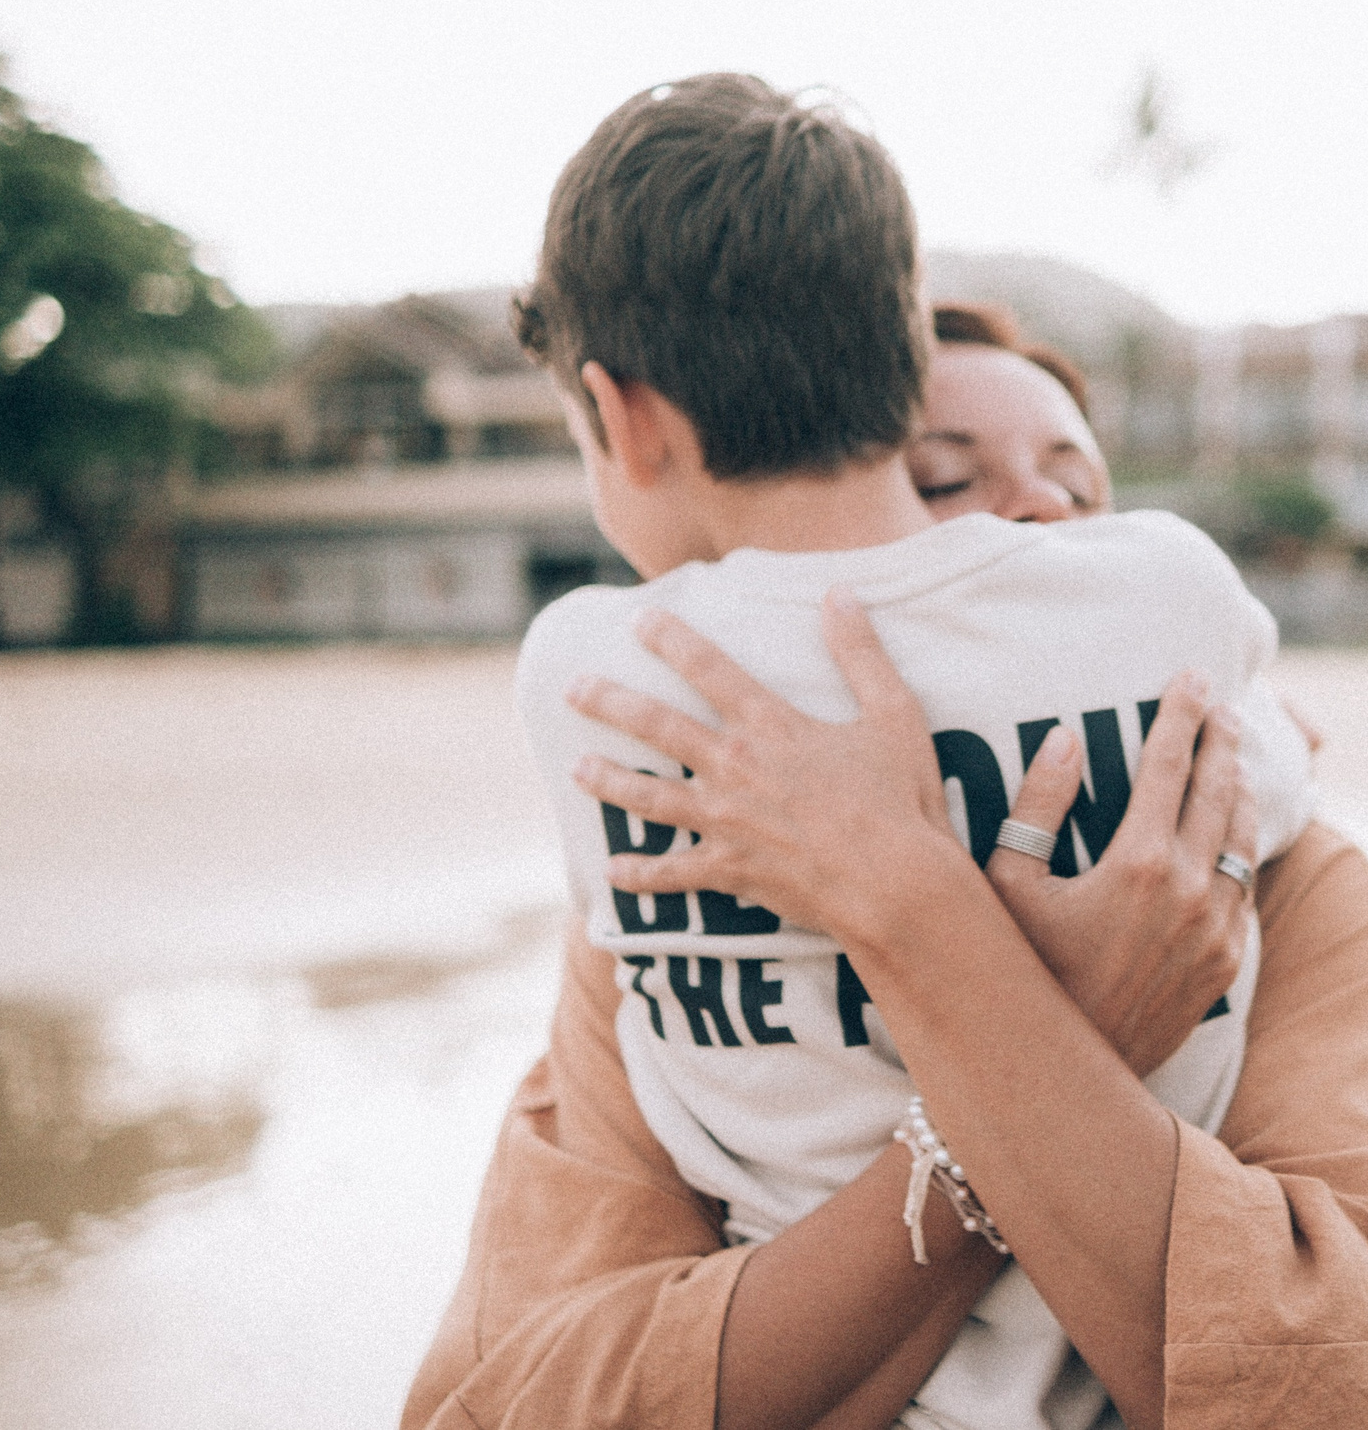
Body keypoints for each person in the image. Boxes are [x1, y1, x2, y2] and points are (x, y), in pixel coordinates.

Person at [405, 77, 1368, 1429]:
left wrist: (925, 921)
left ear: (623, 417)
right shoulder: (651, 902)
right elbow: (551, 1389)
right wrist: (1053, 1032)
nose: (1029, 514)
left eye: (1074, 488)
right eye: (946, 487)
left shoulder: (1289, 887)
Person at [504, 74, 1313, 1430]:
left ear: (623, 414)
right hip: (1144, 1338)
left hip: (812, 1353)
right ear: (899, 351)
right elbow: (1280, 789)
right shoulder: (1167, 593)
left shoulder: (587, 676)